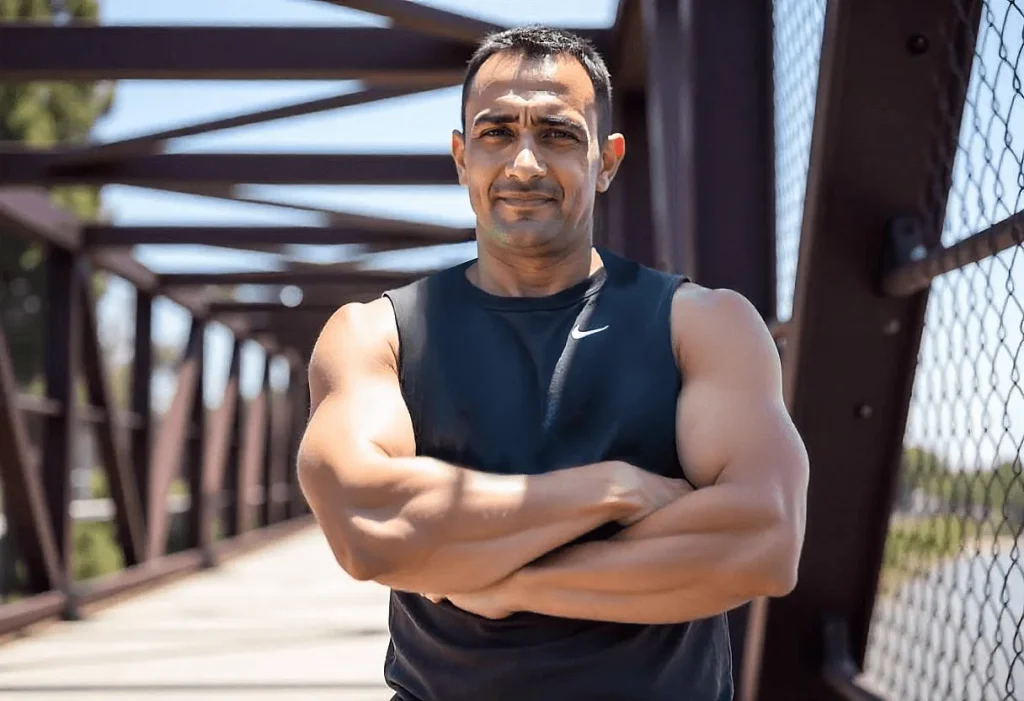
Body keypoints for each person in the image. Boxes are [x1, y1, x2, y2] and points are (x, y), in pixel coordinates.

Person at [297, 25, 809, 701]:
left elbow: (763, 539)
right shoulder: (378, 333)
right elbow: (370, 526)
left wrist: (494, 580)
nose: (526, 164)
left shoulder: (702, 324)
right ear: (461, 157)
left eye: (560, 134)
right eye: (496, 132)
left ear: (608, 161)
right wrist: (614, 490)